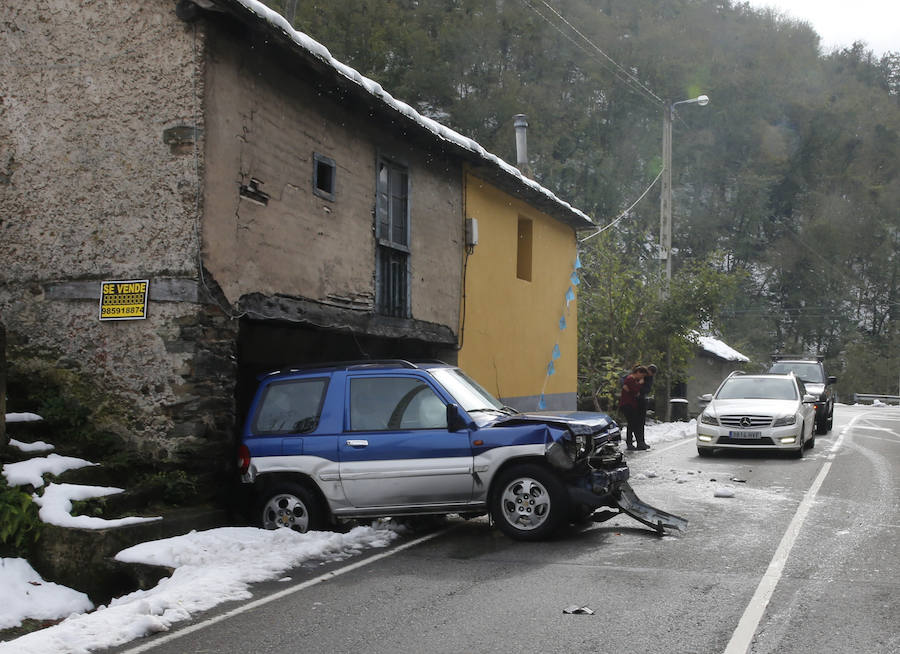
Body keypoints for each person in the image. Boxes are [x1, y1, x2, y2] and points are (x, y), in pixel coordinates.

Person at [619, 365, 649, 450]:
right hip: (628, 404)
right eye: (642, 375)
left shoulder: (632, 380)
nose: (642, 378)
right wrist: (639, 384)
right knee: (632, 423)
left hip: (631, 404)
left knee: (632, 423)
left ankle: (630, 442)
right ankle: (629, 442)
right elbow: (635, 390)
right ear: (638, 372)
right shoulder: (630, 379)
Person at [638, 363, 657, 436]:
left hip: (642, 398)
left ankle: (641, 440)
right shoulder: (640, 373)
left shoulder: (649, 378)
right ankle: (630, 441)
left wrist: (641, 389)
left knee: (641, 421)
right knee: (633, 422)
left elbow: (647, 389)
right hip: (633, 399)